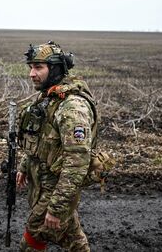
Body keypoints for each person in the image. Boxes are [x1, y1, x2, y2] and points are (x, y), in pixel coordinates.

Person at [17, 41, 98, 252]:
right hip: (44, 181)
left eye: (38, 67)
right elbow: (43, 138)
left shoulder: (72, 106)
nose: (31, 74)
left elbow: (78, 161)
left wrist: (57, 207)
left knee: (33, 236)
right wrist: (25, 165)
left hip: (56, 186)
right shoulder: (50, 97)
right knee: (73, 239)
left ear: (54, 69)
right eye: (31, 67)